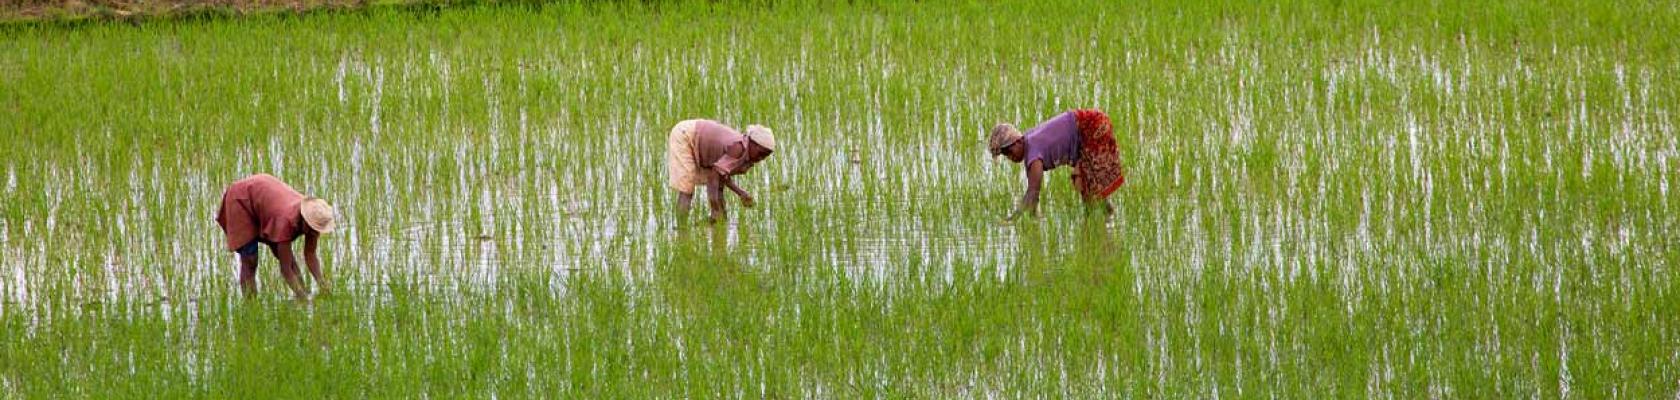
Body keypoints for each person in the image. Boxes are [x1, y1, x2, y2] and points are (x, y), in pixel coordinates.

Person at [989, 109, 1126, 220]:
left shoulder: (1033, 154)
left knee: (1089, 191)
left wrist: (1013, 219)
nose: (1010, 157)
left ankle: (1100, 225)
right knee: (1090, 189)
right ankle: (1108, 218)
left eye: (1009, 151)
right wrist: (1033, 218)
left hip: (1091, 126)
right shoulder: (1030, 144)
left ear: (1017, 141)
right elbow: (1033, 199)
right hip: (1091, 122)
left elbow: (1032, 195)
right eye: (1005, 155)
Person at [215, 174, 335, 298]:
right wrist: (303, 297)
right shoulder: (285, 222)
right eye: (313, 229)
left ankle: (303, 293)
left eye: (317, 230)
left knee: (290, 260)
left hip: (266, 204)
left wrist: (322, 284)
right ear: (305, 220)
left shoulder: (314, 220)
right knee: (250, 260)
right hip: (242, 200)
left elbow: (310, 255)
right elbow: (285, 269)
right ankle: (250, 306)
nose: (314, 233)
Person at [665, 119, 776, 222]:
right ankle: (682, 230)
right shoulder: (738, 148)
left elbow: (722, 174)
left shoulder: (745, 151)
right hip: (686, 136)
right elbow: (714, 176)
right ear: (753, 143)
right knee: (687, 189)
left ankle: (720, 223)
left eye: (765, 156)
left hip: (698, 135)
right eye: (760, 154)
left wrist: (741, 193)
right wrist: (714, 207)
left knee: (719, 187)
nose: (761, 159)